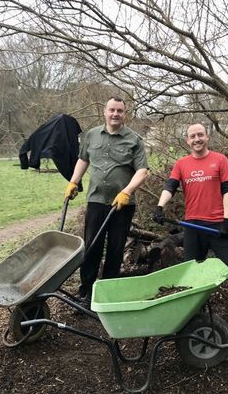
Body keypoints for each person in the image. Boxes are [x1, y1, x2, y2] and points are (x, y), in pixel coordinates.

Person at [152, 123, 228, 329]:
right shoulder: (181, 164)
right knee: (193, 271)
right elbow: (170, 187)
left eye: (200, 135)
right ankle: (197, 311)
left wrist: (227, 220)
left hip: (218, 224)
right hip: (192, 226)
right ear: (187, 141)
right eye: (192, 136)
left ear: (207, 137)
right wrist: (159, 207)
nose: (197, 139)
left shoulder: (220, 160)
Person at [65, 97, 149, 307]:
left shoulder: (134, 139)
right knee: (92, 247)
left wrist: (127, 191)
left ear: (124, 114)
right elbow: (83, 159)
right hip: (95, 200)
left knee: (115, 248)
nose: (115, 114)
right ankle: (86, 293)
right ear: (104, 111)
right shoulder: (92, 135)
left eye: (119, 111)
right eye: (112, 110)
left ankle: (109, 295)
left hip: (122, 205)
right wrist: (73, 182)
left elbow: (142, 171)